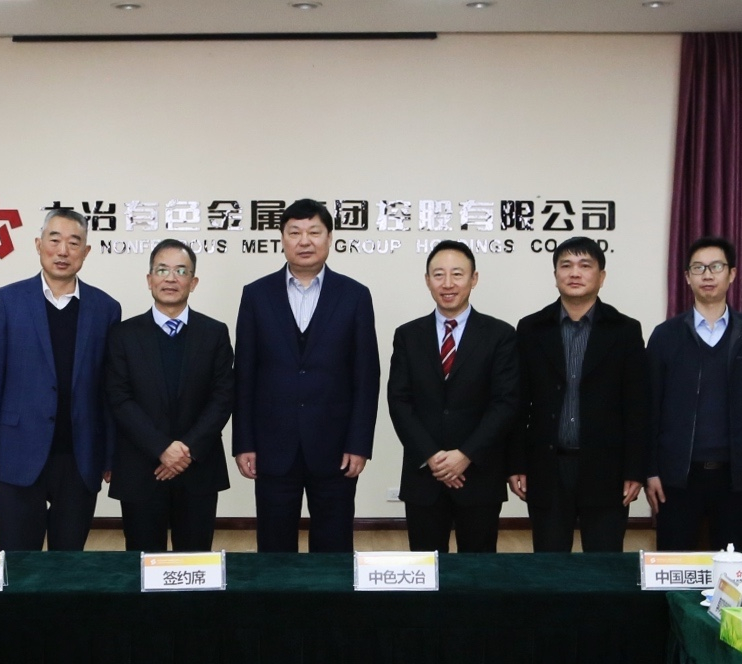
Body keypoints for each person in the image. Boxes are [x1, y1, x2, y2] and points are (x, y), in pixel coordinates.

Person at [233, 198, 380, 553]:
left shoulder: (355, 296)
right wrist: (244, 442)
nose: (304, 241)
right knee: (274, 546)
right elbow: (244, 374)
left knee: (334, 547)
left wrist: (359, 443)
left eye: (314, 232)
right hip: (272, 445)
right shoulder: (256, 295)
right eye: (295, 232)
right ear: (282, 239)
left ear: (329, 238)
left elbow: (366, 376)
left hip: (335, 447)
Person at [0, 209, 121, 551]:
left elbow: (109, 390)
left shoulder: (106, 308)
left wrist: (110, 456)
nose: (63, 251)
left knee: (68, 562)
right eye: (54, 240)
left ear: (86, 251)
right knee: (18, 560)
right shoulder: (6, 300)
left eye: (74, 242)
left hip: (80, 456)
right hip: (18, 452)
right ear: (39, 245)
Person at [508, 236, 646, 552]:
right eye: (566, 265)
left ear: (601, 276)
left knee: (604, 565)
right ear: (555, 274)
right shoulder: (531, 328)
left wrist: (634, 469)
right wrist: (516, 463)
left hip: (606, 469)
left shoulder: (625, 330)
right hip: (547, 467)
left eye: (585, 265)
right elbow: (518, 403)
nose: (574, 273)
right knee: (551, 565)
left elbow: (637, 406)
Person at [646, 236, 742, 551]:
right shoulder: (665, 336)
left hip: (737, 476)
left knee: (731, 570)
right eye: (698, 268)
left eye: (716, 267)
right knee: (675, 567)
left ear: (731, 274)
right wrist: (650, 471)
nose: (707, 275)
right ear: (687, 277)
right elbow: (649, 409)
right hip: (677, 476)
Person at [388, 240, 518, 553]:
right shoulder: (408, 335)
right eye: (439, 275)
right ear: (427, 280)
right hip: (424, 476)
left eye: (457, 274)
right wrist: (432, 456)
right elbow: (399, 401)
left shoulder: (500, 335)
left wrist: (465, 455)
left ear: (474, 279)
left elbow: (505, 403)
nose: (448, 284)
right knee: (424, 568)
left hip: (479, 476)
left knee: (477, 571)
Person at [106, 239, 234, 552]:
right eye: (162, 270)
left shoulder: (214, 333)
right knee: (143, 563)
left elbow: (222, 398)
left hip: (198, 468)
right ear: (149, 279)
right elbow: (119, 399)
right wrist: (161, 449)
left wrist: (185, 450)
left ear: (194, 282)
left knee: (195, 564)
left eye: (181, 271)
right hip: (141, 468)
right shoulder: (122, 335)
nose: (171, 278)